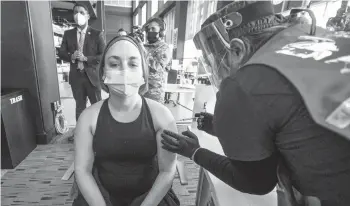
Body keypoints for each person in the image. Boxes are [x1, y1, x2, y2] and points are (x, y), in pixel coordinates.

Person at [161, 1, 350, 206]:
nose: (215, 68)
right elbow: (293, 121)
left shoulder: (244, 83)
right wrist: (216, 126)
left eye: (214, 59)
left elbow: (257, 183)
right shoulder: (315, 40)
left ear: (237, 50)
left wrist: (194, 152)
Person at [72, 35, 180, 206]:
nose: (124, 71)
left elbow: (167, 171)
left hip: (151, 196)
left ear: (143, 71)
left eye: (133, 64)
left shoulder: (162, 116)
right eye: (114, 64)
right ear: (103, 72)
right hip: (101, 195)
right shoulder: (88, 118)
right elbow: (82, 170)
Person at [59, 3, 106, 122]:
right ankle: (80, 132)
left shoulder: (97, 34)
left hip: (92, 77)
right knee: (80, 107)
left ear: (88, 16)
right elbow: (61, 53)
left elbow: (103, 55)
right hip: (76, 77)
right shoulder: (68, 34)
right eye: (75, 12)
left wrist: (86, 58)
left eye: (81, 12)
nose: (78, 15)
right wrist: (72, 57)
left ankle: (99, 132)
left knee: (97, 106)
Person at [142, 17, 172, 103]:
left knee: (154, 115)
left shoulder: (164, 48)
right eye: (148, 29)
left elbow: (158, 67)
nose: (150, 31)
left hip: (155, 93)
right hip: (141, 90)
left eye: (153, 28)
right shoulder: (144, 46)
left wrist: (143, 52)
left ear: (161, 32)